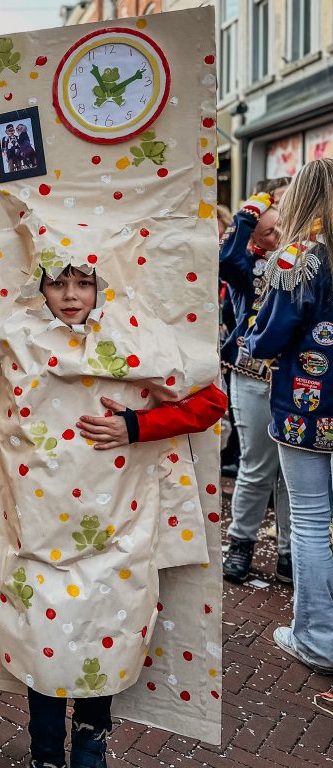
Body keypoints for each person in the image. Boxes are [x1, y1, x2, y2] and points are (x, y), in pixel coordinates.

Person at [0, 264, 227, 768]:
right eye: (57, 283)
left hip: (116, 532)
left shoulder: (136, 341)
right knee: (41, 639)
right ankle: (45, 752)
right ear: (38, 286)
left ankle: (90, 746)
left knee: (102, 638)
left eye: (82, 283)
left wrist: (137, 425)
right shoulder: (13, 338)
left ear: (99, 286)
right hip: (36, 531)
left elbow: (210, 401)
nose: (70, 295)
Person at [244, 157, 333, 675]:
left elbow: (269, 335)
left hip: (307, 404)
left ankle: (318, 640)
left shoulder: (297, 257)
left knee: (310, 520)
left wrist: (253, 342)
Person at [219, 176, 293, 584]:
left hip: (295, 380)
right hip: (251, 378)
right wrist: (250, 212)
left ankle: (288, 554)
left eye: (279, 226)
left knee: (289, 473)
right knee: (256, 468)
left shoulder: (302, 262)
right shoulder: (247, 266)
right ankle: (241, 545)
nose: (276, 234)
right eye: (267, 231)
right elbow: (226, 257)